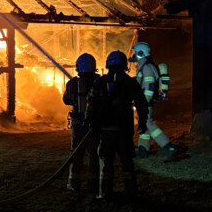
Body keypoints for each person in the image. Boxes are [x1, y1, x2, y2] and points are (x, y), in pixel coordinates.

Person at [86, 50, 148, 202]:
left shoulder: (99, 82)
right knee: (127, 163)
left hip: (106, 131)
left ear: (108, 65)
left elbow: (91, 103)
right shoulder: (131, 83)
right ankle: (132, 193)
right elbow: (141, 103)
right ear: (124, 65)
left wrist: (91, 122)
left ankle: (105, 193)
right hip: (124, 130)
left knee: (106, 163)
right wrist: (142, 121)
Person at [129, 41, 178, 162]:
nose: (134, 55)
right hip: (144, 101)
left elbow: (149, 86)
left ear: (141, 53)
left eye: (135, 53)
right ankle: (143, 150)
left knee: (148, 124)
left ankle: (169, 147)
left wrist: (144, 102)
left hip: (146, 102)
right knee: (144, 125)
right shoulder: (145, 66)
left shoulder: (147, 68)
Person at [62, 53, 101, 192]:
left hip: (78, 124)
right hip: (94, 124)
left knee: (76, 153)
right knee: (94, 154)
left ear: (78, 67)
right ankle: (93, 185)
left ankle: (74, 183)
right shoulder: (100, 82)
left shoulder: (72, 83)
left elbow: (66, 100)